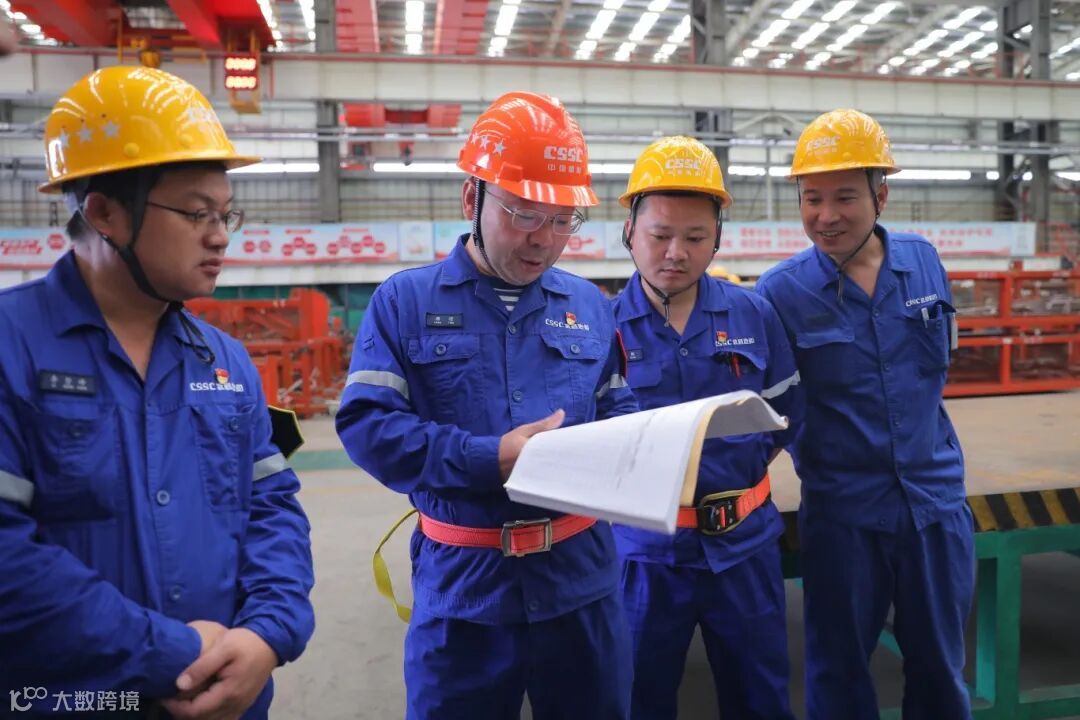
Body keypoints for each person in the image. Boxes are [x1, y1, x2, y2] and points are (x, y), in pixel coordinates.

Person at [0, 66, 315, 718]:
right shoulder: (11, 347)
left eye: (226, 214)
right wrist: (170, 652)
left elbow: (272, 507)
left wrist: (267, 634)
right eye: (198, 213)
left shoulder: (224, 362)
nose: (220, 235)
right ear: (104, 213)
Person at [336, 91, 638, 719]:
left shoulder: (590, 306)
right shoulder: (404, 303)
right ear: (471, 198)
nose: (544, 239)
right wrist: (488, 458)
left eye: (563, 219)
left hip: (580, 587)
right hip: (464, 592)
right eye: (524, 213)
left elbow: (619, 411)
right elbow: (369, 427)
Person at [755, 108, 972, 720]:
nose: (826, 215)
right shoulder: (780, 293)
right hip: (844, 516)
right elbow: (771, 408)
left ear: (881, 195)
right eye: (812, 198)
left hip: (933, 506)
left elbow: (939, 365)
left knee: (941, 669)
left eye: (845, 197)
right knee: (839, 673)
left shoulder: (923, 261)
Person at [612, 136, 803, 720]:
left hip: (743, 548)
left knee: (761, 698)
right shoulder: (600, 327)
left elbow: (784, 416)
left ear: (717, 237)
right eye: (660, 235)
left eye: (695, 237)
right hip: (644, 554)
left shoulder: (754, 313)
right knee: (636, 698)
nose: (676, 253)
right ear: (629, 232)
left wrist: (732, 479)